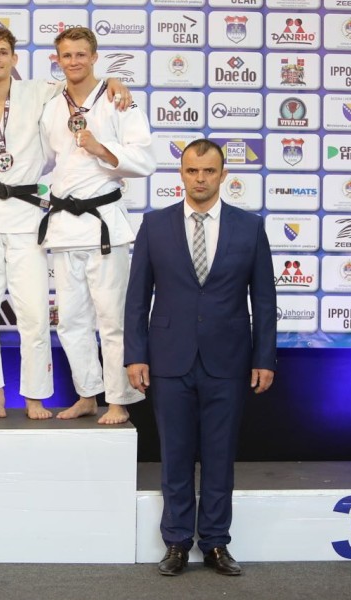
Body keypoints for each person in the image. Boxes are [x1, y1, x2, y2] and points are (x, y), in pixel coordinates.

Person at [0, 28, 132, 420]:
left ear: (15, 59)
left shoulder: (38, 92)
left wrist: (114, 82)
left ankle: (35, 396)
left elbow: (82, 82)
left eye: (3, 52)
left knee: (33, 314)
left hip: (27, 217)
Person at [124, 139, 277, 576]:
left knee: (219, 456)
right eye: (192, 170)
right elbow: (137, 297)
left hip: (229, 361)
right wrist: (135, 354)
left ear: (223, 175)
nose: (200, 179)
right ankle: (175, 542)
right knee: (174, 454)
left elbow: (264, 300)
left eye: (209, 171)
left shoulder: (250, 227)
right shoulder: (154, 225)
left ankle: (215, 543)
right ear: (181, 174)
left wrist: (264, 358)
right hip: (168, 359)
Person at [38, 27, 156, 425]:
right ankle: (87, 394)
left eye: (80, 54)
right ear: (57, 60)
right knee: (71, 321)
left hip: (104, 227)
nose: (73, 61)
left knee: (112, 319)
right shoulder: (52, 105)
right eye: (66, 55)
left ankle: (119, 401)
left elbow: (145, 159)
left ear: (94, 56)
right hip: (64, 226)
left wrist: (100, 148)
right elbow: (43, 162)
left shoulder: (117, 100)